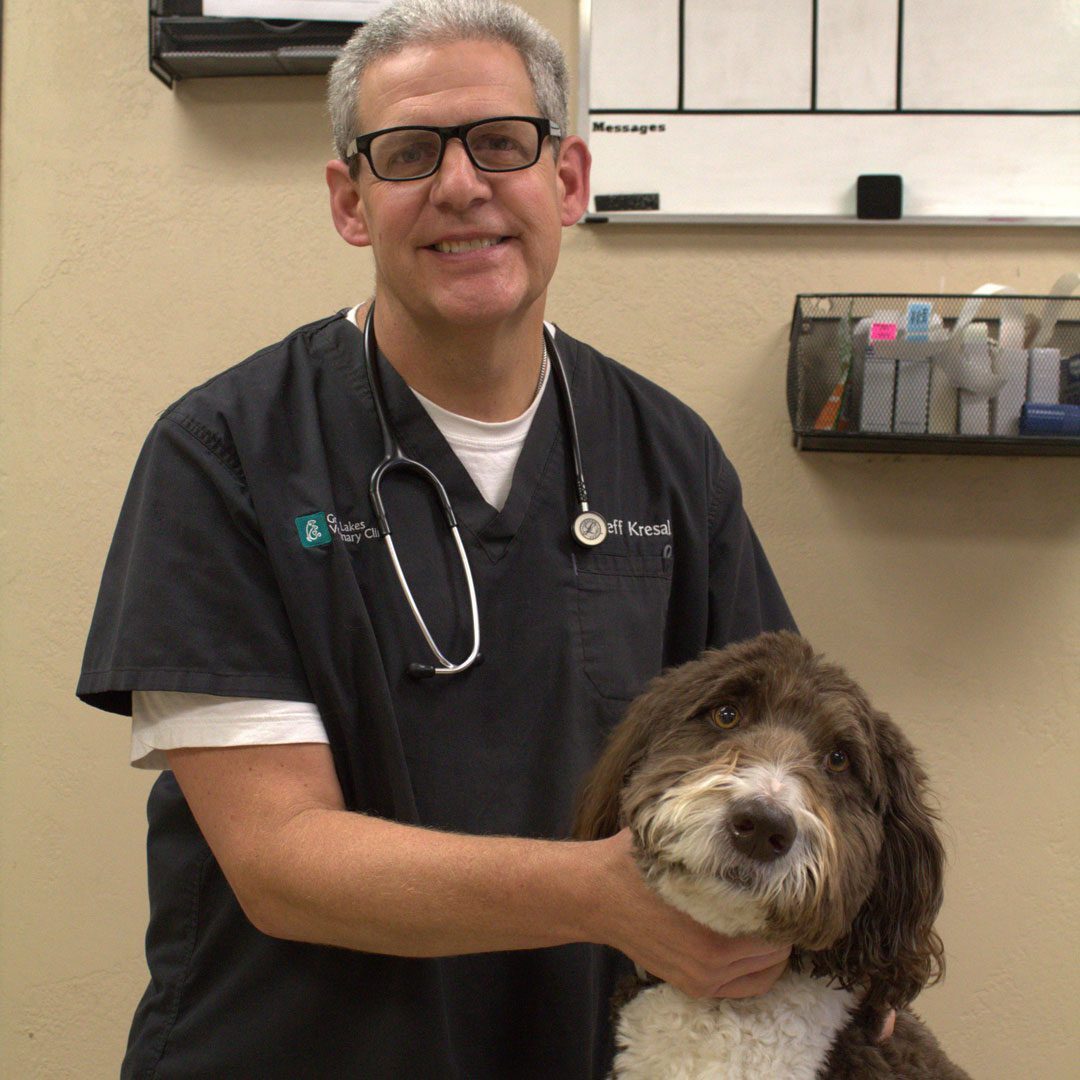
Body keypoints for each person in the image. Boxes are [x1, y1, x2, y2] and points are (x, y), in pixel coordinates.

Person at [77, 2, 800, 1076]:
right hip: (297, 1050)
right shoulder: (224, 454)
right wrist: (604, 897)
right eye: (409, 153)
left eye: (501, 144)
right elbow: (279, 860)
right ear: (350, 201)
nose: (462, 186)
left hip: (579, 1042)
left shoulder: (667, 457)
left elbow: (781, 762)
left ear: (566, 180)